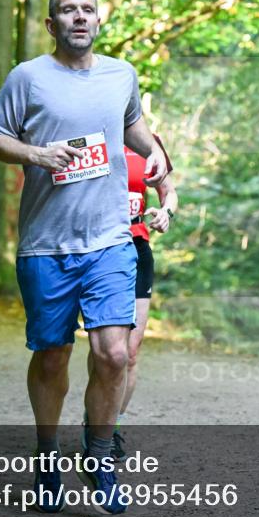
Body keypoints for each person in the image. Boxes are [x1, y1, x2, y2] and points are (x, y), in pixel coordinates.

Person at [0, 0, 169, 515]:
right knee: (52, 355)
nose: (79, 18)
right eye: (68, 10)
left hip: (111, 239)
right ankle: (46, 455)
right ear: (51, 24)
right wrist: (38, 156)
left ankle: (101, 457)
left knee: (114, 353)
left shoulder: (121, 75)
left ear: (99, 20)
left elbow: (133, 127)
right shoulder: (28, 79)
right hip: (46, 246)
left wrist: (157, 160)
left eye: (87, 9)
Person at [87, 137, 178, 460]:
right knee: (106, 349)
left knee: (131, 351)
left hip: (136, 246)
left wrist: (167, 212)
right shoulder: (88, 132)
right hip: (95, 246)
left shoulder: (148, 142)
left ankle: (110, 428)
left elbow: (169, 191)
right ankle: (98, 418)